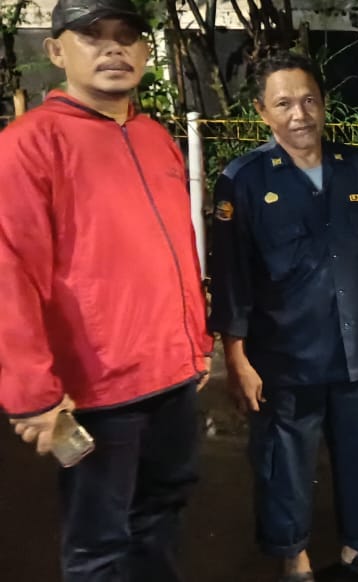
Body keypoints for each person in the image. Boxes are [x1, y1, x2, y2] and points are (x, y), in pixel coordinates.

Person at [0, 0, 213, 579]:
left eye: (127, 36)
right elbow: (10, 274)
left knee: (162, 513)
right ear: (55, 50)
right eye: (93, 36)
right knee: (99, 542)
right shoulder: (30, 144)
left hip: (172, 376)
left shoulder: (154, 137)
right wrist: (33, 393)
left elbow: (177, 248)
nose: (114, 48)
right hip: (97, 388)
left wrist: (196, 343)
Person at [207, 52, 358, 582]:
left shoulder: (354, 165)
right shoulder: (244, 180)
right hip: (285, 353)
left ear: (323, 103)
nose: (300, 114)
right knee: (285, 461)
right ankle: (293, 554)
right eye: (284, 104)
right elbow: (230, 277)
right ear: (262, 112)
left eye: (309, 100)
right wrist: (236, 357)